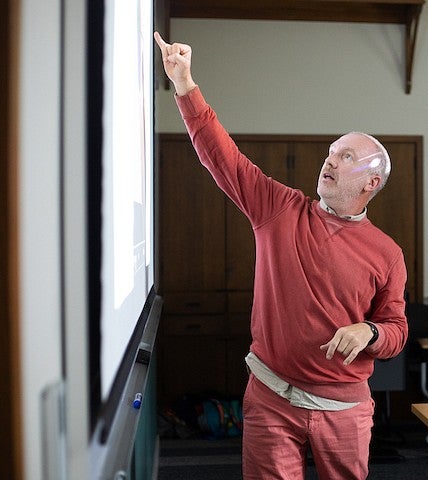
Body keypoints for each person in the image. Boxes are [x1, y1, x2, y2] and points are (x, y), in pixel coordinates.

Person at [154, 32, 408, 479]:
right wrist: (185, 84)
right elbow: (222, 157)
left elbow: (396, 330)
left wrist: (369, 332)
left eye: (345, 156)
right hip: (270, 396)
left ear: (371, 182)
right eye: (330, 153)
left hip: (343, 408)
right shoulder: (280, 209)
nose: (328, 161)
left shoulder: (386, 252)